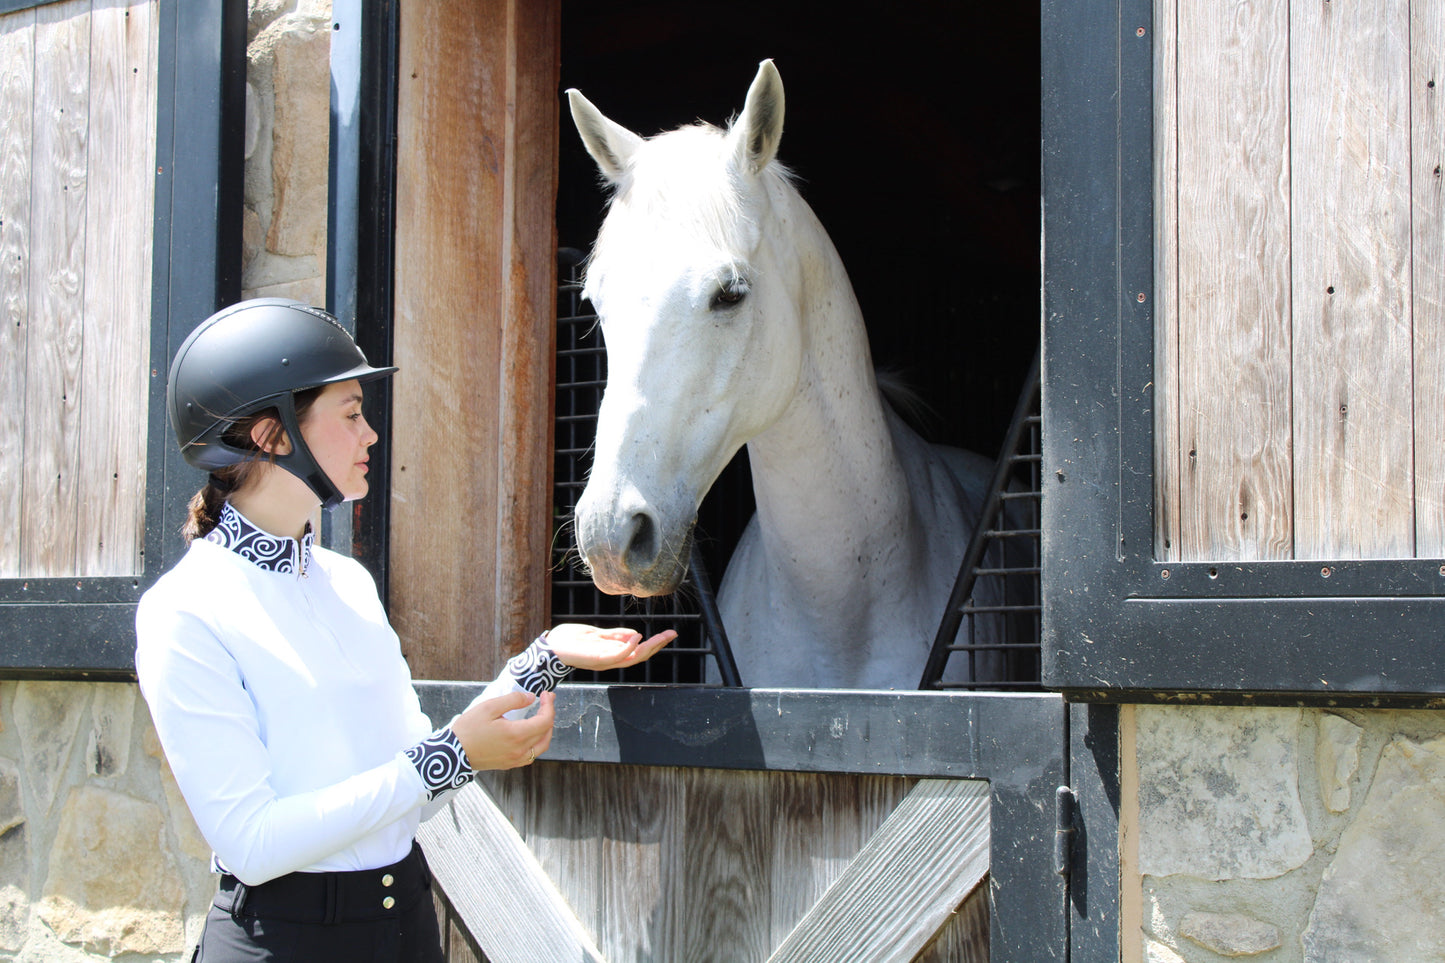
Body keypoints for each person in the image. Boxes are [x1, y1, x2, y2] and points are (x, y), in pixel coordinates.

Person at [135, 298, 675, 962]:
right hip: (283, 945)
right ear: (273, 434)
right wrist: (448, 755)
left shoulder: (347, 582)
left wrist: (542, 658)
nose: (371, 435)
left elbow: (411, 784)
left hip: (406, 928)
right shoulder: (184, 609)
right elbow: (251, 840)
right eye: (352, 413)